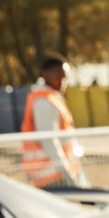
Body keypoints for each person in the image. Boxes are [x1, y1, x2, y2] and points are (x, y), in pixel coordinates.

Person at [20, 55, 86, 189]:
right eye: (59, 76)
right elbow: (49, 142)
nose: (63, 82)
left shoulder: (52, 97)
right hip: (52, 176)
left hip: (59, 173)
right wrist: (67, 174)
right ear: (46, 75)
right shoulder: (43, 101)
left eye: (65, 77)